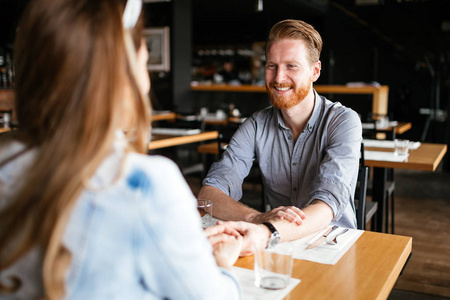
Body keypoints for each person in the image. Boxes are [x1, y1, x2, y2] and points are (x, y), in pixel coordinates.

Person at [0, 0, 250, 299]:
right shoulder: (146, 184)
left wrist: (186, 242)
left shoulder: (6, 157)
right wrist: (220, 264)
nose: (145, 84)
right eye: (143, 65)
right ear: (120, 76)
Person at [198, 19, 362, 244]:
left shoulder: (343, 121)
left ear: (315, 71)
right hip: (276, 245)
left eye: (291, 66)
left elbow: (326, 206)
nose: (278, 78)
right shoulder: (256, 125)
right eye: (272, 65)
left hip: (330, 245)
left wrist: (267, 231)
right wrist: (258, 218)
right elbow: (209, 195)